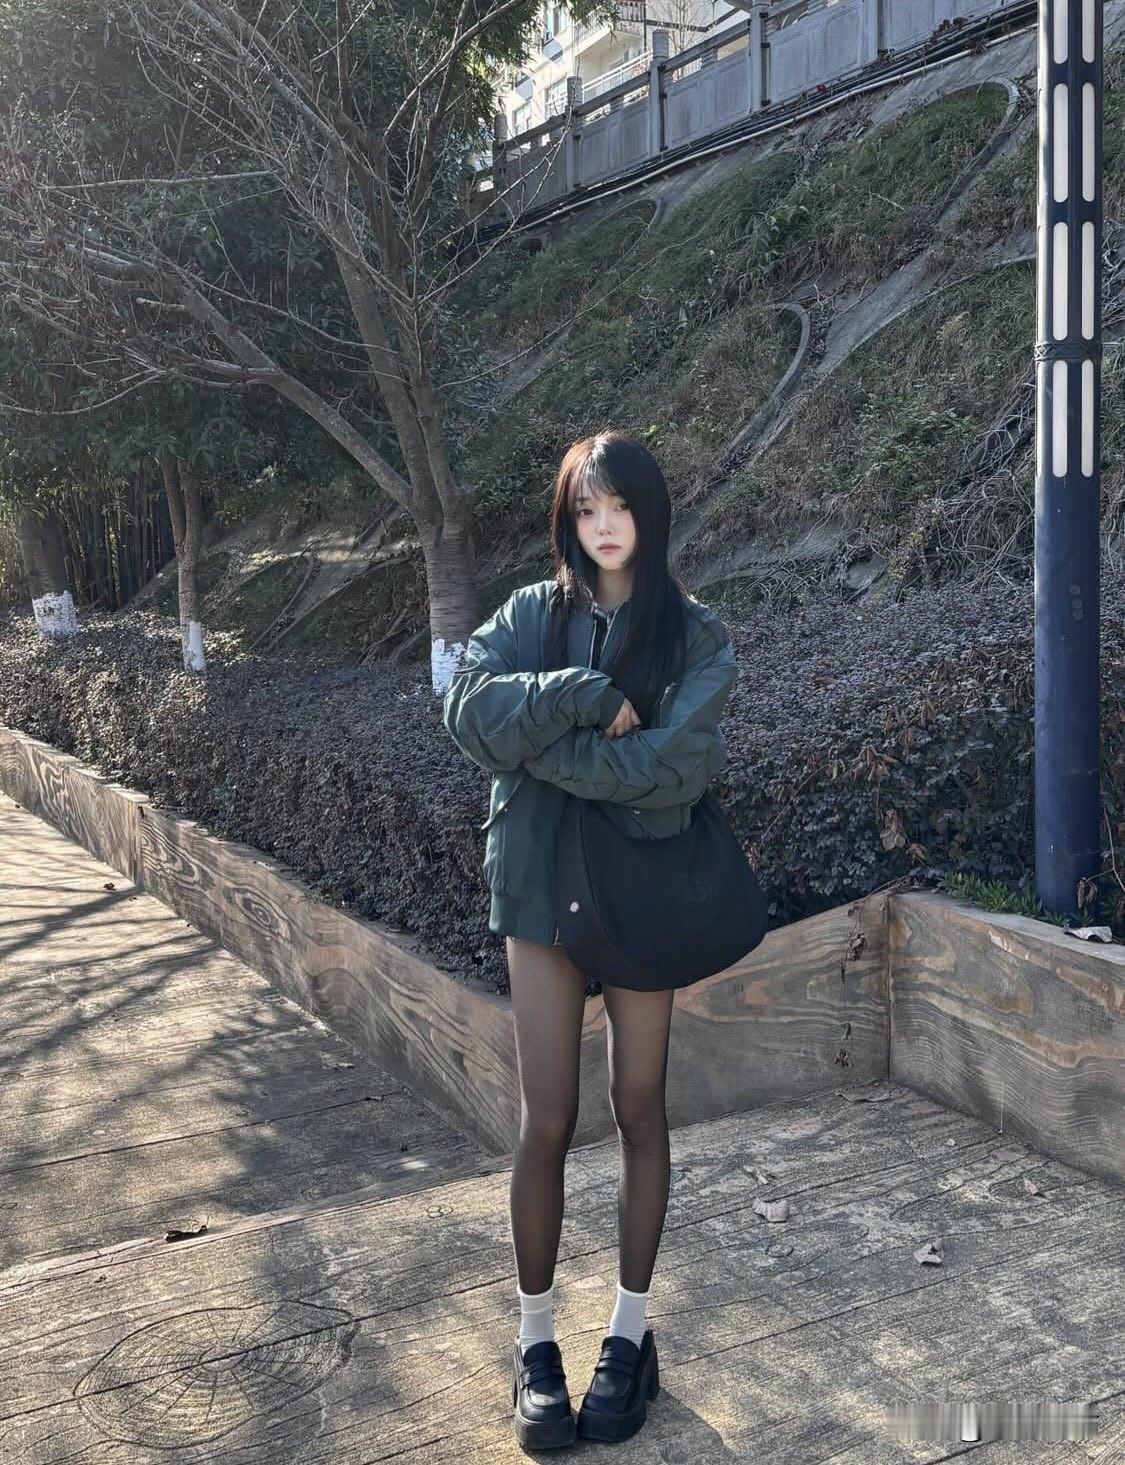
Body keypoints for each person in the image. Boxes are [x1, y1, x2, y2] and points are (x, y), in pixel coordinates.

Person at [442, 430, 737, 1448]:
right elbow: (467, 711)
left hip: (641, 891)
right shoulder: (534, 613)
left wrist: (539, 756)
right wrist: (581, 698)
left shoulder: (696, 635)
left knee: (641, 1106)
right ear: (567, 518)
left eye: (620, 505)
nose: (604, 525)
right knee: (548, 1119)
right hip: (536, 891)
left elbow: (671, 770)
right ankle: (535, 1346)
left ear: (650, 512)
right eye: (585, 507)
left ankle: (628, 1331)